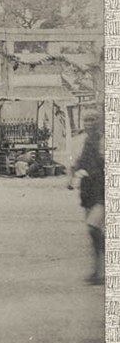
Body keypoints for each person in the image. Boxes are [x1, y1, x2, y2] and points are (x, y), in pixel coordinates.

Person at [69, 111, 105, 285]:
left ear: (99, 122)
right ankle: (98, 272)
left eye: (92, 120)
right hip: (87, 190)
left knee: (93, 227)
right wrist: (71, 179)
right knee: (93, 234)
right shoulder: (80, 141)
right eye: (86, 120)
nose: (89, 123)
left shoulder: (105, 141)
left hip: (103, 190)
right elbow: (75, 163)